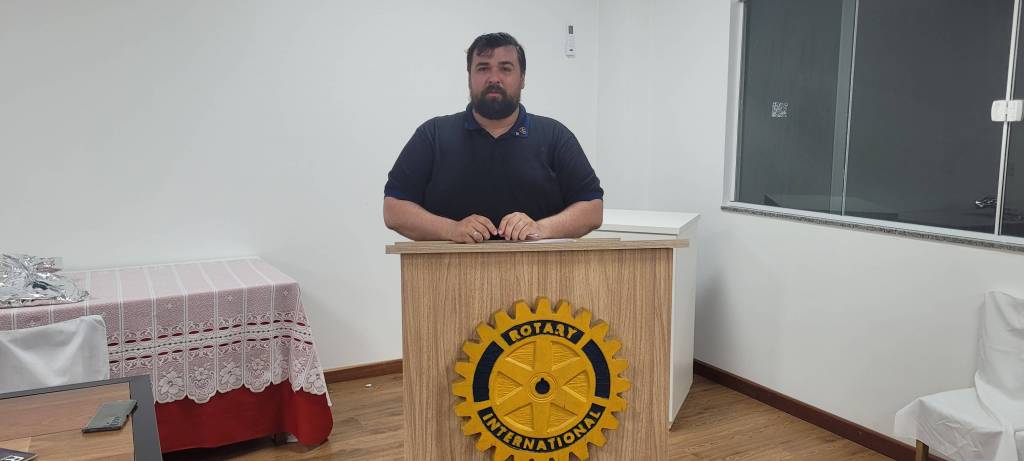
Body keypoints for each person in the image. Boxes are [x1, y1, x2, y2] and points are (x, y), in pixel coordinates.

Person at [383, 32, 603, 243]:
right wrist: (450, 229)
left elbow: (592, 209)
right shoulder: (433, 135)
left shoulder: (555, 136)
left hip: (538, 268)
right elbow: (394, 209)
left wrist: (540, 228)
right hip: (449, 268)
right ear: (469, 77)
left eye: (505, 69)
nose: (494, 78)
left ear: (522, 78)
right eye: (483, 68)